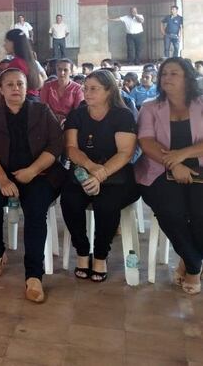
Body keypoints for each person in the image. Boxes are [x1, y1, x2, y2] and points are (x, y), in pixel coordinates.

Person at [0, 69, 65, 303]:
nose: (15, 88)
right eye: (10, 85)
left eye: (20, 84)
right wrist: (3, 180)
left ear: (27, 87)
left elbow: (57, 145)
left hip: (40, 173)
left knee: (36, 209)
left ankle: (34, 275)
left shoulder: (41, 110)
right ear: (1, 89)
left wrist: (32, 171)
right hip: (3, 174)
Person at [60, 70, 139, 282]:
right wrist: (90, 168)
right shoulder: (77, 115)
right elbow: (71, 148)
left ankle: (101, 255)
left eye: (94, 88)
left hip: (116, 175)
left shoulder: (122, 115)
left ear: (109, 90)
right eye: (85, 88)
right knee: (70, 201)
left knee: (106, 204)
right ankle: (83, 251)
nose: (87, 92)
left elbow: (125, 153)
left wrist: (101, 174)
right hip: (83, 171)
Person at [135, 58, 203, 294]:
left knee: (200, 213)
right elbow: (146, 141)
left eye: (174, 73)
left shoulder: (201, 104)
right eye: (164, 74)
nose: (166, 78)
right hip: (159, 171)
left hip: (199, 169)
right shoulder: (150, 106)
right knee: (171, 212)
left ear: (187, 77)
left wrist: (183, 155)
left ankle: (188, 258)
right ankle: (194, 265)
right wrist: (173, 164)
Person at [40, 58, 85, 124]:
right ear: (56, 70)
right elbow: (43, 107)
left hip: (70, 122)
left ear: (71, 72)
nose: (62, 72)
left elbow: (77, 111)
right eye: (59, 69)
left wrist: (66, 121)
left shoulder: (77, 89)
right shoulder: (47, 86)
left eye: (65, 70)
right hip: (49, 121)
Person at [4, 29, 43, 98]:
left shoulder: (16, 63)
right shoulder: (31, 61)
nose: (4, 45)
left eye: (6, 41)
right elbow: (40, 83)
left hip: (22, 100)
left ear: (14, 43)